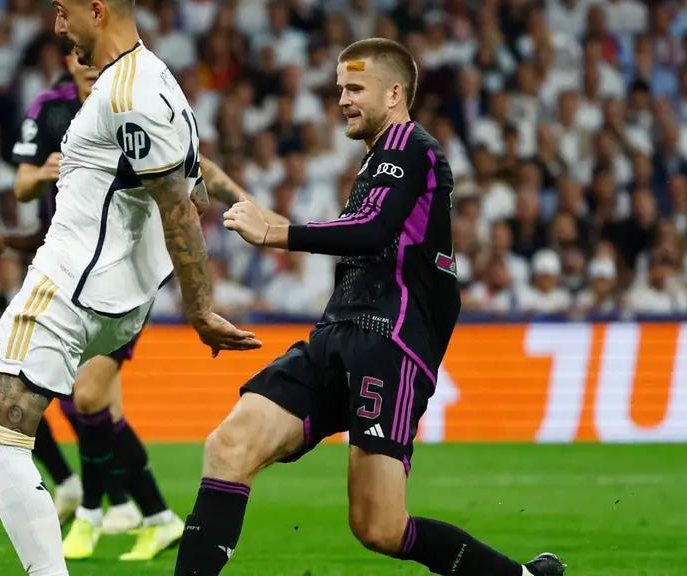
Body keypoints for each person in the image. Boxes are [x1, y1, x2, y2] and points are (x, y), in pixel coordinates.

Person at [174, 38, 566, 576]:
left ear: (395, 92)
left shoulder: (412, 147)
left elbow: (372, 230)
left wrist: (277, 233)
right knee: (229, 445)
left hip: (389, 344)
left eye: (355, 87)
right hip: (335, 334)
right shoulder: (376, 160)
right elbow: (367, 232)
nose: (342, 99)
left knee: (379, 528)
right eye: (339, 89)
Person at [0, 0, 264, 575]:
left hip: (69, 286)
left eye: (63, 14)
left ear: (96, 10)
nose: (58, 27)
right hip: (116, 300)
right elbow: (186, 194)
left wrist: (200, 310)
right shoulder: (160, 81)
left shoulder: (125, 96)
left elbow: (177, 210)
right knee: (8, 418)